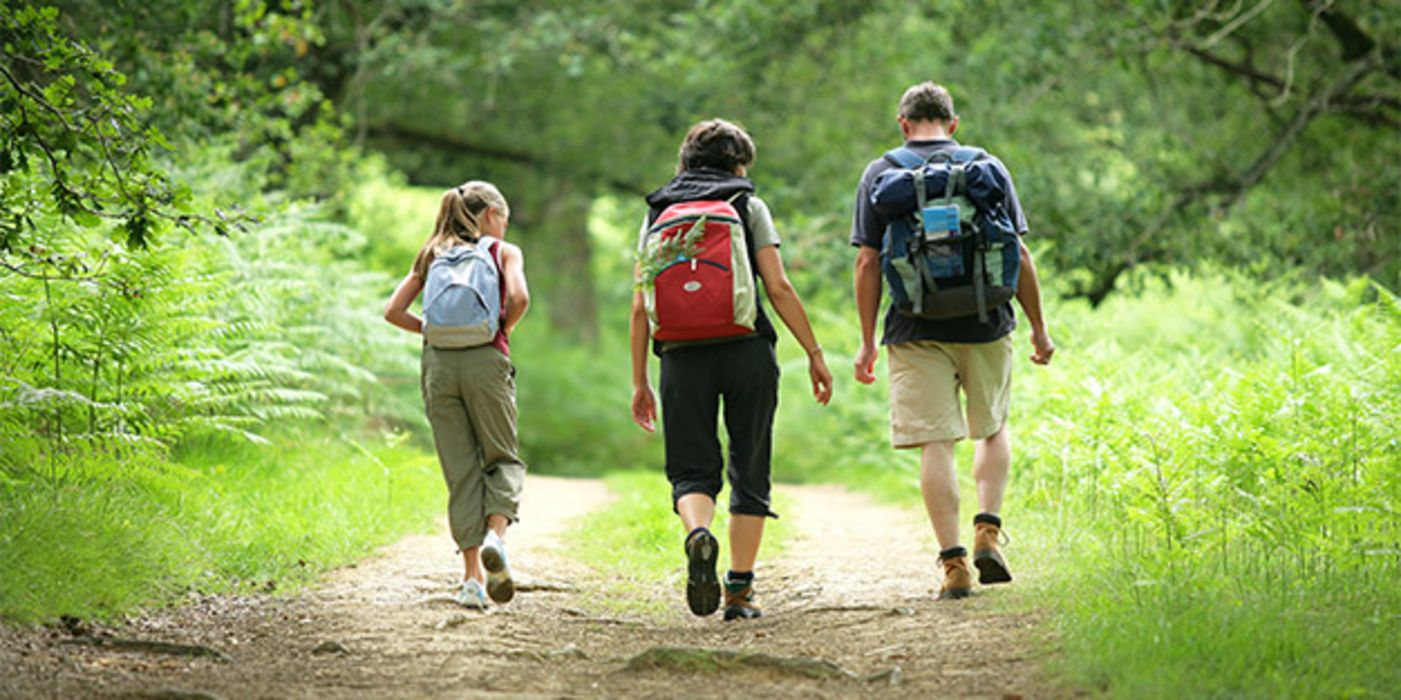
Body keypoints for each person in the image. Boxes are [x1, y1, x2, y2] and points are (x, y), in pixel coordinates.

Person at [850, 82, 1054, 600]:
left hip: (915, 328)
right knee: (992, 427)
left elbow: (868, 262)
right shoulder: (987, 167)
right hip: (987, 321)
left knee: (936, 443)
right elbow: (1020, 254)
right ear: (953, 123)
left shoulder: (882, 173)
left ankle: (954, 564)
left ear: (903, 123)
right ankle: (987, 528)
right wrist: (1038, 327)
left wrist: (868, 340)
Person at [630, 119, 833, 621]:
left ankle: (699, 535)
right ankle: (739, 592)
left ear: (686, 160)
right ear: (739, 164)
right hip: (747, 349)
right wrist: (813, 351)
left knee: (691, 468)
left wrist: (639, 381)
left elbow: (640, 305)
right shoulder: (748, 206)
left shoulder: (659, 211)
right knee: (750, 463)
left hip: (679, 355)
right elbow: (779, 287)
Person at [384, 181, 530, 609]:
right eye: (503, 219)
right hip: (486, 360)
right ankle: (496, 538)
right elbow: (520, 296)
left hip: (439, 366)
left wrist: (430, 330)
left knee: (460, 470)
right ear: (490, 216)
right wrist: (501, 328)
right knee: (502, 457)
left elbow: (393, 311)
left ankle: (471, 581)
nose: (504, 227)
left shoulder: (432, 253)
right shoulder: (502, 251)